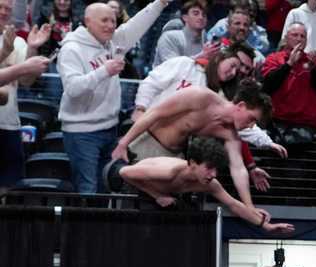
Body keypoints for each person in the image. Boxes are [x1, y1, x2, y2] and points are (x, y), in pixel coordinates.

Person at [111, 82, 272, 221]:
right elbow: (154, 113)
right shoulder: (200, 96)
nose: (251, 126)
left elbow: (238, 168)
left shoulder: (230, 134)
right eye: (251, 119)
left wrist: (249, 207)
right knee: (133, 198)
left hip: (174, 156)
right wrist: (123, 143)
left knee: (164, 208)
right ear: (241, 106)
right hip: (148, 141)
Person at [58, 0, 170, 193]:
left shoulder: (112, 41)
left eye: (113, 21)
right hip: (81, 132)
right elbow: (73, 88)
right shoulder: (71, 48)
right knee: (88, 189)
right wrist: (104, 71)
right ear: (88, 21)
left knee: (106, 188)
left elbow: (136, 25)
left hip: (109, 128)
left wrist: (159, 3)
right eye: (104, 20)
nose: (110, 25)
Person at [112, 137, 294, 232]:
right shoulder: (169, 171)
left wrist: (266, 226)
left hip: (158, 192)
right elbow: (124, 173)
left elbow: (233, 204)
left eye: (216, 169)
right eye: (209, 168)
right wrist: (157, 195)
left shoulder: (209, 184)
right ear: (192, 163)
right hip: (122, 177)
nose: (213, 175)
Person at [0, 0, 49, 187]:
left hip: (10, 124)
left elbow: (26, 81)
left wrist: (32, 48)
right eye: (0, 7)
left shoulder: (17, 41)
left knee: (11, 186)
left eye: (8, 9)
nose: (4, 12)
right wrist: (5, 53)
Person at [262, 22, 316, 139]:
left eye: (302, 36)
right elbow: (268, 86)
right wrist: (289, 64)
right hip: (278, 119)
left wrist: (314, 68)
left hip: (306, 122)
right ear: (286, 38)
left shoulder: (314, 61)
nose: (299, 39)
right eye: (295, 35)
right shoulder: (273, 59)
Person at [152, 0, 207, 67]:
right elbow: (171, 66)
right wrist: (201, 56)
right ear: (185, 17)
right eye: (196, 14)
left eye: (204, 15)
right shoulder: (169, 37)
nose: (201, 17)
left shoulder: (205, 39)